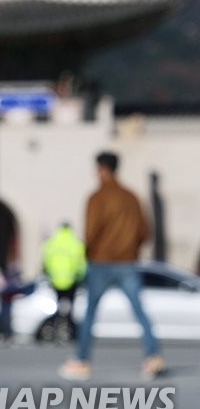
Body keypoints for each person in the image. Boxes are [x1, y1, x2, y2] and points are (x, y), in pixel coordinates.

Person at [60, 152, 164, 381]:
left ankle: (82, 360)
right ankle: (152, 356)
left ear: (102, 169)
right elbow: (145, 232)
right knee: (139, 311)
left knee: (90, 314)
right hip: (127, 263)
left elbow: (91, 232)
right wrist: (130, 249)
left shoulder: (96, 198)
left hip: (101, 262)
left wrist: (91, 252)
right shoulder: (132, 197)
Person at [42, 222, 87, 327]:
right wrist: (80, 277)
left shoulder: (51, 243)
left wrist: (50, 275)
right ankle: (69, 327)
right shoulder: (76, 243)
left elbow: (45, 262)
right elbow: (82, 264)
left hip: (55, 281)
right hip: (71, 281)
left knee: (57, 306)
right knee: (70, 307)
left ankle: (55, 326)